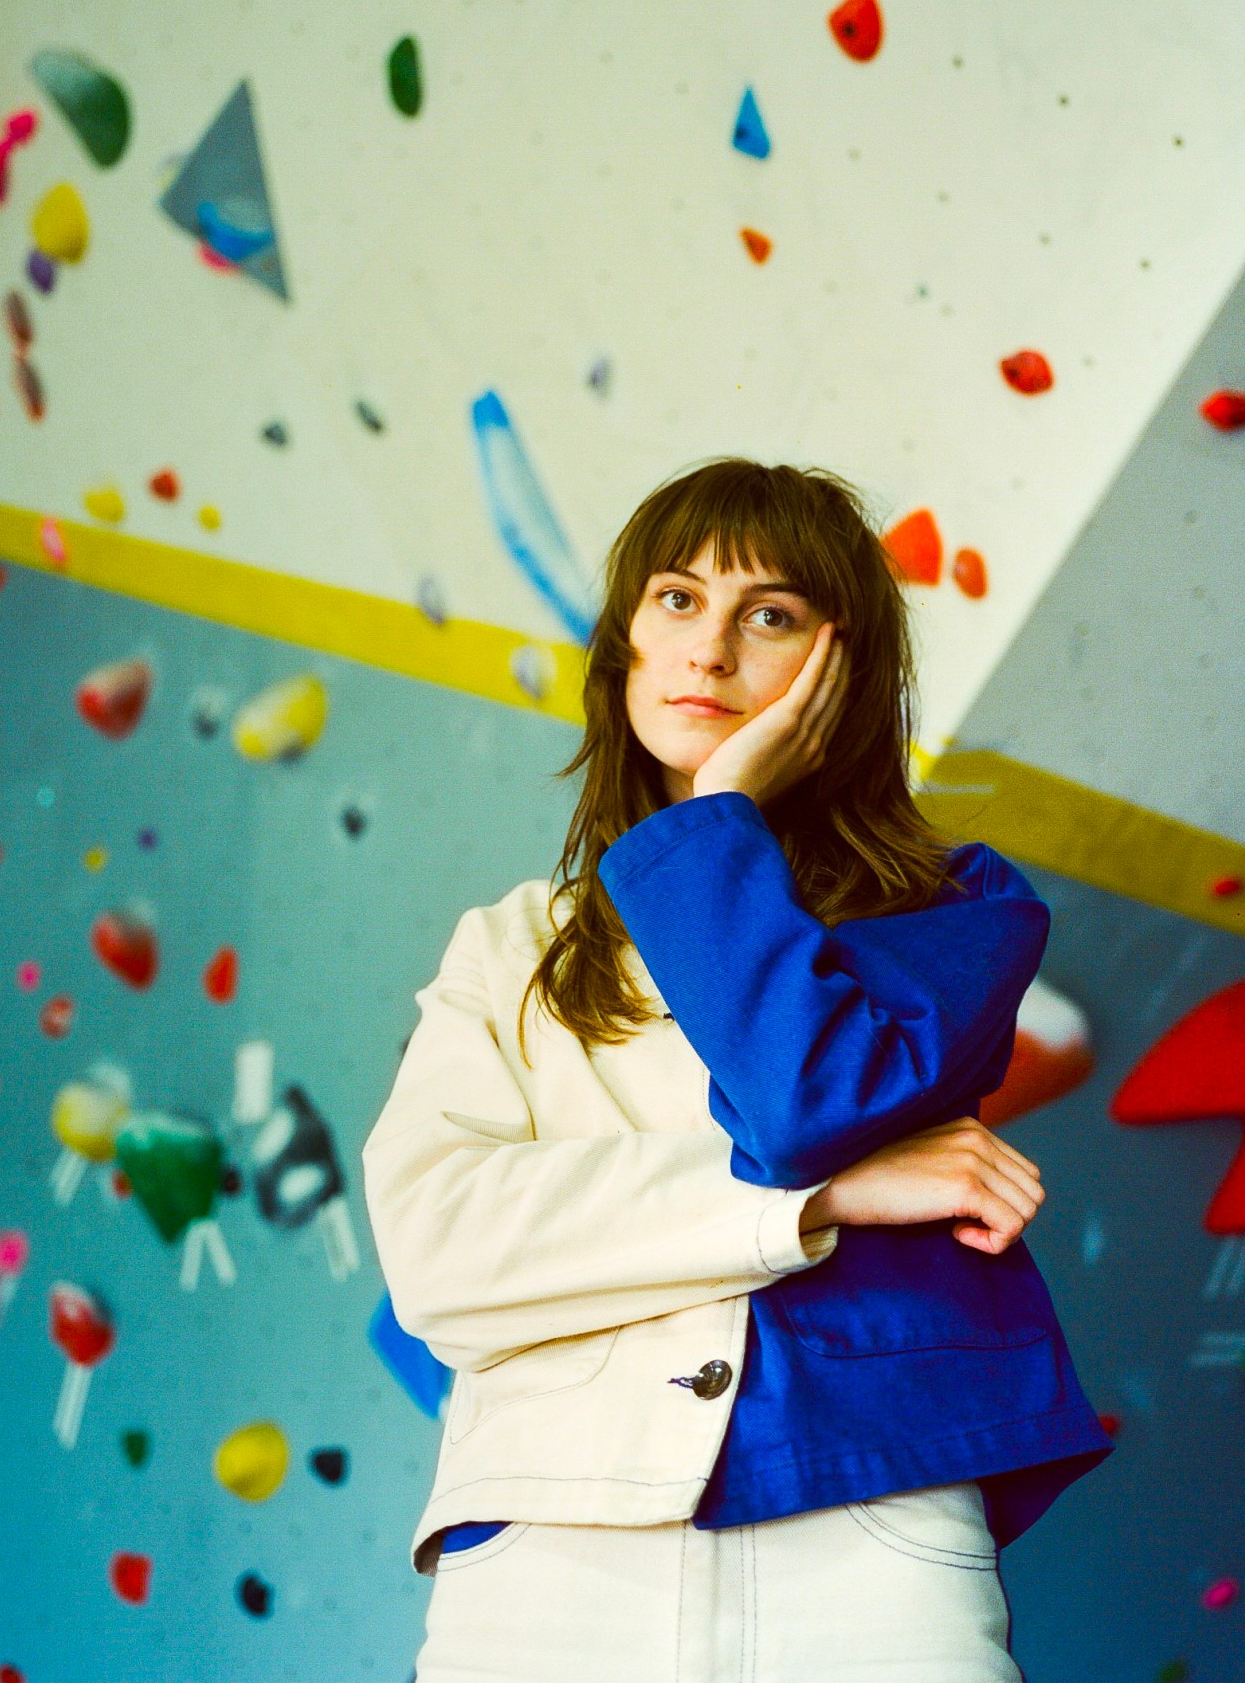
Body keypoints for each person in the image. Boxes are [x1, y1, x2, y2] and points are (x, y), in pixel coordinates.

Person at [363, 458, 1111, 1683]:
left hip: (871, 1522)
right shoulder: (508, 942)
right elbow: (440, 1253)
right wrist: (819, 1201)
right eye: (674, 600)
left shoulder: (962, 912)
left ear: (843, 668)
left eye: (767, 614)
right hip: (549, 1526)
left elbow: (804, 1100)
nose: (707, 649)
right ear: (624, 645)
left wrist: (720, 811)